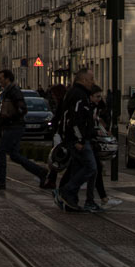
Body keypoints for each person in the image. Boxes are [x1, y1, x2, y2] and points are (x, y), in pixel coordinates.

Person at [0, 69, 48, 192]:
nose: (0, 80)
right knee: (14, 155)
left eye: (1, 78)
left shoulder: (14, 91)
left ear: (7, 78)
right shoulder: (7, 91)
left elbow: (22, 109)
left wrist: (9, 117)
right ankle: (40, 172)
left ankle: (0, 181)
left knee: (1, 151)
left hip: (14, 127)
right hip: (12, 126)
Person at [55, 67, 97, 212]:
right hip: (77, 139)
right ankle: (67, 191)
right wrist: (79, 139)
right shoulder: (79, 95)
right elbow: (75, 119)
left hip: (74, 137)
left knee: (77, 168)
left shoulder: (76, 93)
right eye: (91, 79)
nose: (93, 82)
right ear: (83, 80)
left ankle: (71, 200)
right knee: (91, 167)